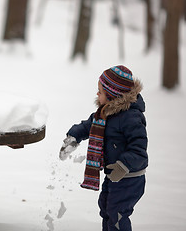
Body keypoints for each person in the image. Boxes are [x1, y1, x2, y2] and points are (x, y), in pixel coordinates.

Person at [59, 65, 148, 231]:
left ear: (113, 95)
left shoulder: (131, 117)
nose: (97, 94)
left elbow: (139, 149)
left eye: (100, 91)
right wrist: (73, 137)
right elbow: (88, 126)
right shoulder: (104, 113)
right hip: (113, 175)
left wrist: (124, 165)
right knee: (106, 208)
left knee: (117, 213)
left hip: (129, 177)